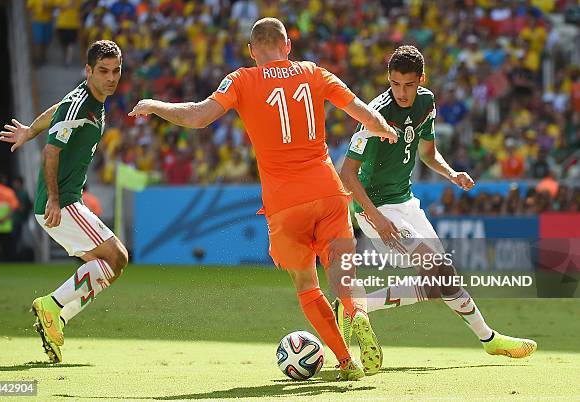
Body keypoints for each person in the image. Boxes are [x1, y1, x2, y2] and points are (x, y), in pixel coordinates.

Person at [129, 17, 398, 380]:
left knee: (308, 286)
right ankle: (358, 316)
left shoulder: (241, 79)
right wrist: (385, 128)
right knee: (343, 277)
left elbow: (198, 116)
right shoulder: (314, 72)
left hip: (284, 203)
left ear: (252, 50)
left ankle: (346, 362)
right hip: (328, 189)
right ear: (287, 45)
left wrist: (155, 105)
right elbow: (361, 111)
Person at [336, 45, 537, 359]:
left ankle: (354, 305)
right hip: (376, 209)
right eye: (395, 84)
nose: (401, 92)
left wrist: (452, 173)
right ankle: (489, 339)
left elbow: (428, 154)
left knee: (441, 281)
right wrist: (376, 217)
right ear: (388, 79)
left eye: (408, 85)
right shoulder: (374, 115)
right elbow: (347, 174)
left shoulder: (427, 103)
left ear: (421, 80)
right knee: (438, 270)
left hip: (406, 203)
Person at [0, 40, 128, 364]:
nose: (111, 78)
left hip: (67, 200)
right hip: (62, 202)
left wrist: (30, 129)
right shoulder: (81, 104)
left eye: (116, 71)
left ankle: (57, 317)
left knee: (110, 265)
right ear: (88, 71)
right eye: (103, 71)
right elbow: (51, 151)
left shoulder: (89, 100)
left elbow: (56, 110)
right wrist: (55, 200)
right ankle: (52, 307)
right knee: (116, 256)